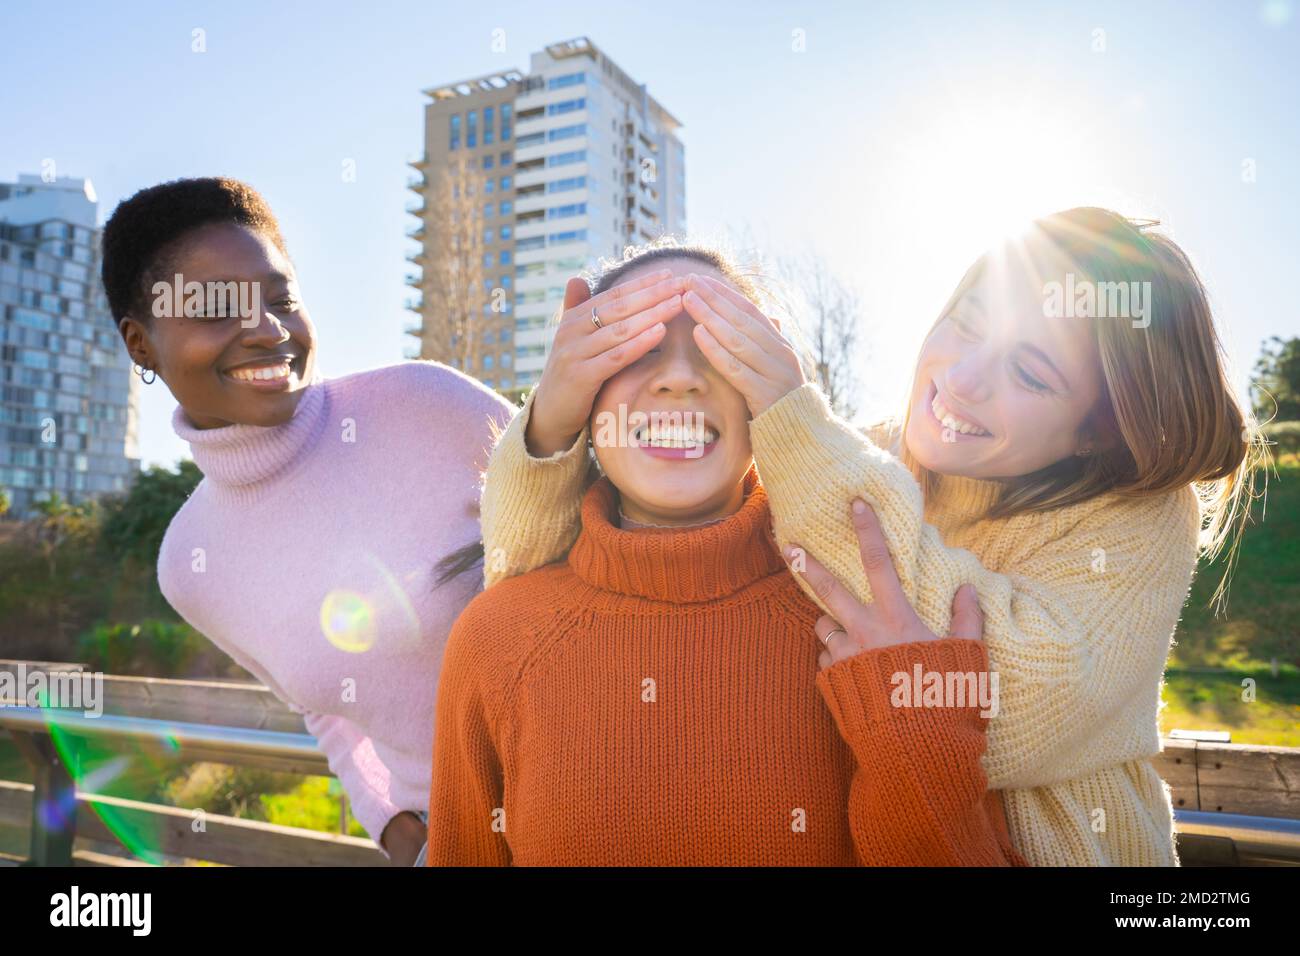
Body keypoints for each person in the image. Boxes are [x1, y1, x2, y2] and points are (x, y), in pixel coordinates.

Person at [474, 211, 1261, 865]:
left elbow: (1005, 715)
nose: (962, 378)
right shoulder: (857, 459)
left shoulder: (1137, 516)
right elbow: (524, 573)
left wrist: (792, 419)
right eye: (966, 323)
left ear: (1099, 430)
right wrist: (556, 418)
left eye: (1031, 375)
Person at [425, 245, 1026, 865]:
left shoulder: (870, 627)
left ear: (767, 398)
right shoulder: (494, 640)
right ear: (583, 398)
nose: (681, 375)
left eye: (721, 346)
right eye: (636, 346)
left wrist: (918, 742)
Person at [102, 176, 517, 864]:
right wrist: (386, 815)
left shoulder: (428, 406)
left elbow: (599, 551)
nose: (266, 330)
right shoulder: (188, 564)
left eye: (280, 298)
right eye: (214, 308)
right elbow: (325, 706)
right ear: (141, 344)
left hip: (599, 797)